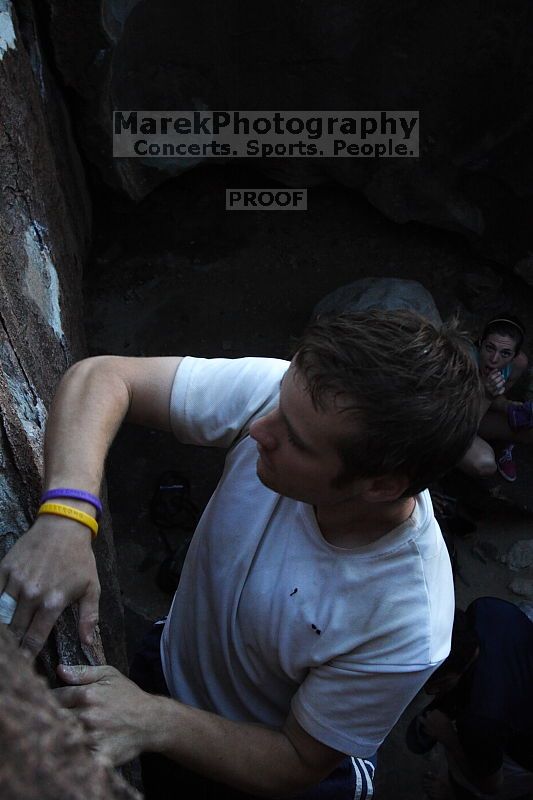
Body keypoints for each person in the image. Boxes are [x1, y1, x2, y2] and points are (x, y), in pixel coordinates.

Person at [0, 310, 482, 799]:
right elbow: (104, 377)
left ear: (381, 485)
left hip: (261, 766)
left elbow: (297, 761)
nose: (260, 429)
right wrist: (66, 517)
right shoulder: (290, 402)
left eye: (294, 438)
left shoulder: (406, 621)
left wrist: (154, 719)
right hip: (173, 662)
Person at [407, 597, 533, 800]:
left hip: (524, 752)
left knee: (476, 780)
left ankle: (454, 792)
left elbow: (492, 785)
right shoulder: (486, 609)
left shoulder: (481, 720)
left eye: (429, 687)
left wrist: (448, 737)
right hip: (520, 682)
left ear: (447, 678)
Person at [459, 316, 531, 482]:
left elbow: (497, 397)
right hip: (455, 424)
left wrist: (509, 406)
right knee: (484, 463)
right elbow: (458, 429)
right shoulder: (465, 361)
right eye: (490, 348)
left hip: (480, 416)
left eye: (505, 353)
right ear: (480, 344)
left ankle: (503, 444)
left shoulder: (517, 364)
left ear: (514, 355)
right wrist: (486, 394)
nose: (494, 359)